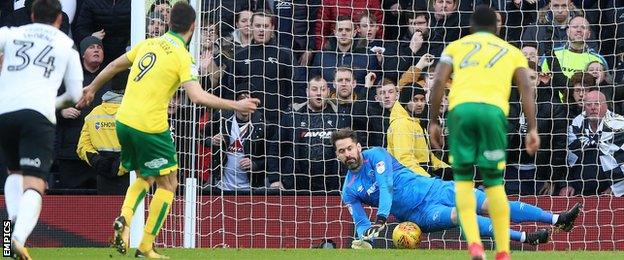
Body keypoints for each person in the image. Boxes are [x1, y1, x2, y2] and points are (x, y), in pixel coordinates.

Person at [76, 2, 259, 258]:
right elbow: (197, 97)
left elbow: (115, 66)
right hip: (150, 126)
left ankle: (125, 219)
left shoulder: (148, 43)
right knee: (169, 183)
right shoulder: (182, 56)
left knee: (145, 175)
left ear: (169, 22)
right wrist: (236, 104)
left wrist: (92, 88)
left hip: (124, 119)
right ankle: (146, 246)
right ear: (193, 27)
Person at [331, 128, 582, 250]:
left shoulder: (376, 155)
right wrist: (366, 235)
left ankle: (558, 219)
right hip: (420, 215)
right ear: (337, 155)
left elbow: (386, 187)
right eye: (341, 151)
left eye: (349, 148)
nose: (347, 154)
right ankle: (525, 238)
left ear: (358, 147)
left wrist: (383, 217)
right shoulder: (350, 190)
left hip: (436, 188)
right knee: (464, 216)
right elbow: (361, 223)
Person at [428, 6, 540, 260]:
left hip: (461, 112)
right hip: (493, 114)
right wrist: (532, 128)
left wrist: (433, 121)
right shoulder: (512, 52)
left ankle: (475, 247)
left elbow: (437, 82)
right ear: (497, 28)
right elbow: (525, 89)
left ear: (470, 26)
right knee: (494, 184)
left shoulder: (455, 46)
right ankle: (502, 251)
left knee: (464, 183)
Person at [0, 0, 84, 258]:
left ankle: (12, 224)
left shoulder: (10, 33)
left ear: (32, 14)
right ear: (60, 18)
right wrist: (52, 103)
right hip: (38, 115)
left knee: (14, 172)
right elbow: (74, 95)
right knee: (36, 183)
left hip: (5, 112)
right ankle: (17, 237)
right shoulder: (66, 47)